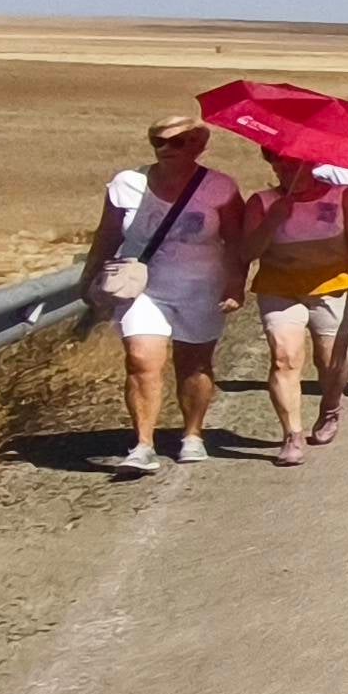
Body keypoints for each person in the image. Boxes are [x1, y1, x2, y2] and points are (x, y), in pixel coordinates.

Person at [82, 117, 244, 476]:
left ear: (198, 145)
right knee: (141, 359)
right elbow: (106, 236)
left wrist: (236, 283)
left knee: (195, 364)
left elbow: (236, 242)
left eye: (178, 142)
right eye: (159, 142)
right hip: (143, 287)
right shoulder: (128, 184)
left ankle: (192, 434)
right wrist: (89, 278)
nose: (167, 150)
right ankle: (142, 444)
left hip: (201, 289)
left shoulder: (220, 188)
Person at [240, 153, 348, 467]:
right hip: (279, 289)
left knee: (330, 363)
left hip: (333, 289)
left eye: (293, 163)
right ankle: (292, 435)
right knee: (284, 358)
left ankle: (331, 406)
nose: (286, 169)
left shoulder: (343, 199)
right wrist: (273, 220)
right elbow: (246, 252)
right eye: (278, 163)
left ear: (313, 164)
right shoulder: (261, 202)